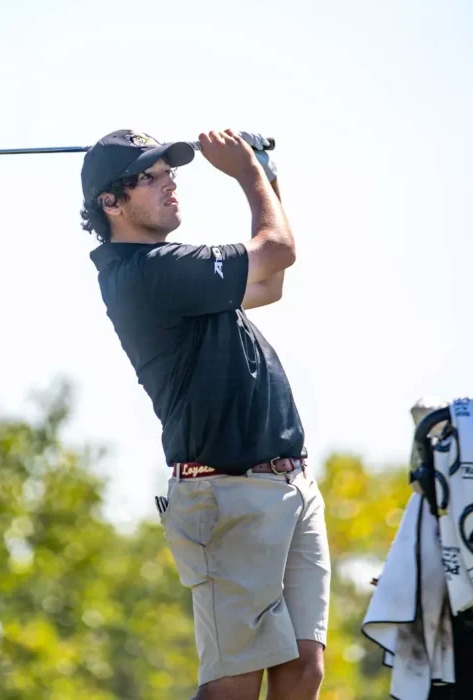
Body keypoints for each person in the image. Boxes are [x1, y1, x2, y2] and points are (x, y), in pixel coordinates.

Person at [79, 128, 331, 700]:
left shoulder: (174, 272)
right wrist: (248, 175)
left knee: (302, 673)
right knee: (233, 688)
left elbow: (269, 285)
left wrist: (268, 178)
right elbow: (279, 251)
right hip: (227, 495)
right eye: (151, 175)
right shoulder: (146, 272)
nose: (170, 181)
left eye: (169, 171)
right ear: (110, 203)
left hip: (286, 485)